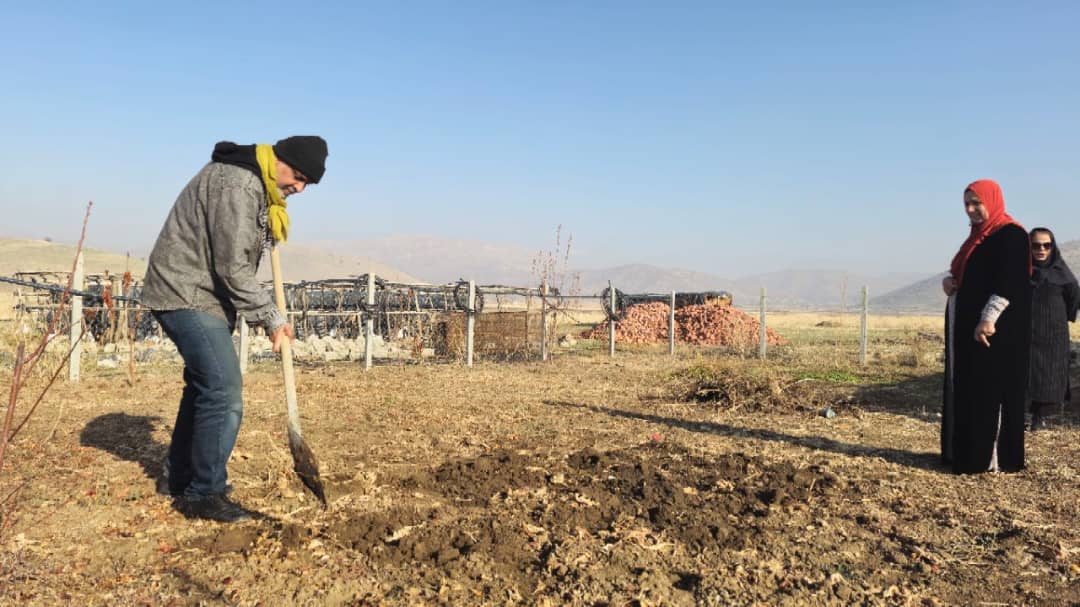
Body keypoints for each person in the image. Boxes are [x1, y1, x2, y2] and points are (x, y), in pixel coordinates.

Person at [141, 136, 328, 522]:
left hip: (197, 293)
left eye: (308, 183)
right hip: (186, 292)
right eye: (298, 177)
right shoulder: (239, 185)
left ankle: (178, 477)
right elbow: (232, 267)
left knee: (203, 387)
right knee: (223, 390)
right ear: (279, 160)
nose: (299, 188)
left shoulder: (256, 185)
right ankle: (204, 495)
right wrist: (271, 317)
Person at [941, 179, 1031, 474]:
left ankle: (991, 459)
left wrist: (989, 318)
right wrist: (949, 281)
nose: (970, 209)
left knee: (990, 388)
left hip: (996, 330)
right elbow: (965, 272)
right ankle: (966, 454)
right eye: (966, 204)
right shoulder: (978, 237)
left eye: (976, 203)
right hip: (971, 325)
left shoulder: (1011, 235)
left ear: (992, 201)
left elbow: (1010, 282)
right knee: (970, 387)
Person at [1027, 227, 1079, 430]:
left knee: (1049, 374)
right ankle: (1023, 413)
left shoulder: (1062, 272)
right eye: (1036, 245)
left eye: (1046, 245)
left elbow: (1074, 296)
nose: (1041, 249)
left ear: (1052, 247)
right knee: (1027, 372)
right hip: (1026, 332)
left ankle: (1040, 417)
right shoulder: (1020, 271)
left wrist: (1064, 317)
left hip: (1053, 333)